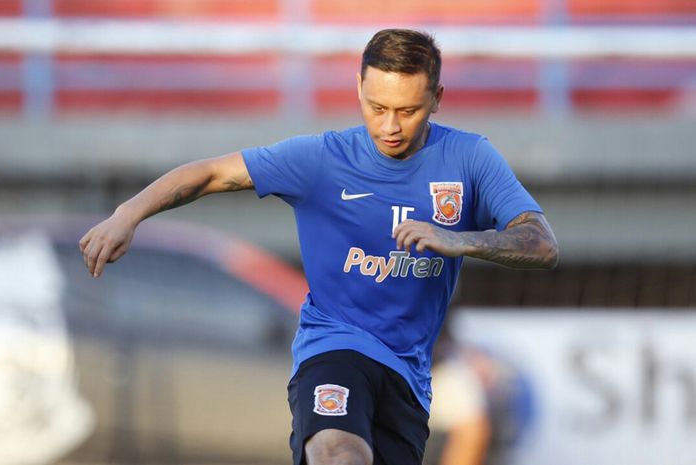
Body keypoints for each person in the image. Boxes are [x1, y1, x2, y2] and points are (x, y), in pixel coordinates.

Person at [79, 29, 558, 465]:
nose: (389, 125)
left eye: (407, 111)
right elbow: (211, 173)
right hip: (334, 347)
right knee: (339, 452)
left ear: (437, 99)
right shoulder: (322, 159)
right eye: (376, 106)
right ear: (358, 90)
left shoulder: (469, 157)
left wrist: (458, 239)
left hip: (410, 375)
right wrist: (127, 214)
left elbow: (541, 243)